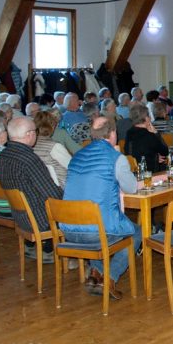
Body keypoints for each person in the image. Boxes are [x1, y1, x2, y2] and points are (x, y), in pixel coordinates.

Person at [61, 116, 142, 300]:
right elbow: (130, 187)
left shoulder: (77, 156)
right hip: (96, 231)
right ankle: (110, 277)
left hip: (69, 228)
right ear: (112, 133)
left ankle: (96, 273)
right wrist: (119, 156)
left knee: (95, 224)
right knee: (136, 232)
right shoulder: (115, 158)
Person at [0, 117, 63, 262]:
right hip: (39, 220)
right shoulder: (29, 159)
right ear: (29, 134)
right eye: (36, 131)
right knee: (84, 211)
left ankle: (35, 246)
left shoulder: (3, 156)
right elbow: (52, 194)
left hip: (20, 217)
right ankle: (66, 253)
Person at [124, 104, 169, 172]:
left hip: (134, 170)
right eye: (149, 116)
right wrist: (156, 133)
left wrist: (155, 157)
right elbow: (165, 152)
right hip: (148, 171)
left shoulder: (129, 132)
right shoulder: (149, 134)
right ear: (146, 118)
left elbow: (132, 153)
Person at [33, 111, 72, 188]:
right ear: (52, 126)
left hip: (40, 186)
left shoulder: (31, 145)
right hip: (60, 188)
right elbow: (72, 167)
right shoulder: (54, 146)